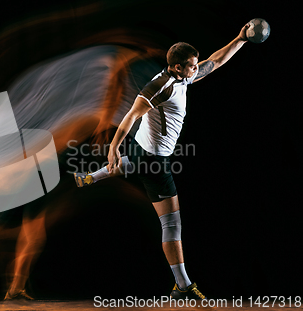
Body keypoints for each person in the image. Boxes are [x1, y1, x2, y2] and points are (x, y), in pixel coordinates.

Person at [74, 23, 250, 300]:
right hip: (155, 161)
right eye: (191, 65)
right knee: (171, 224)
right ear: (177, 67)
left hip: (141, 150)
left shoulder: (183, 78)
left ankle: (92, 176)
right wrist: (112, 148)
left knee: (132, 163)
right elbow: (131, 115)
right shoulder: (160, 86)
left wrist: (240, 39)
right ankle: (183, 285)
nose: (196, 68)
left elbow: (214, 62)